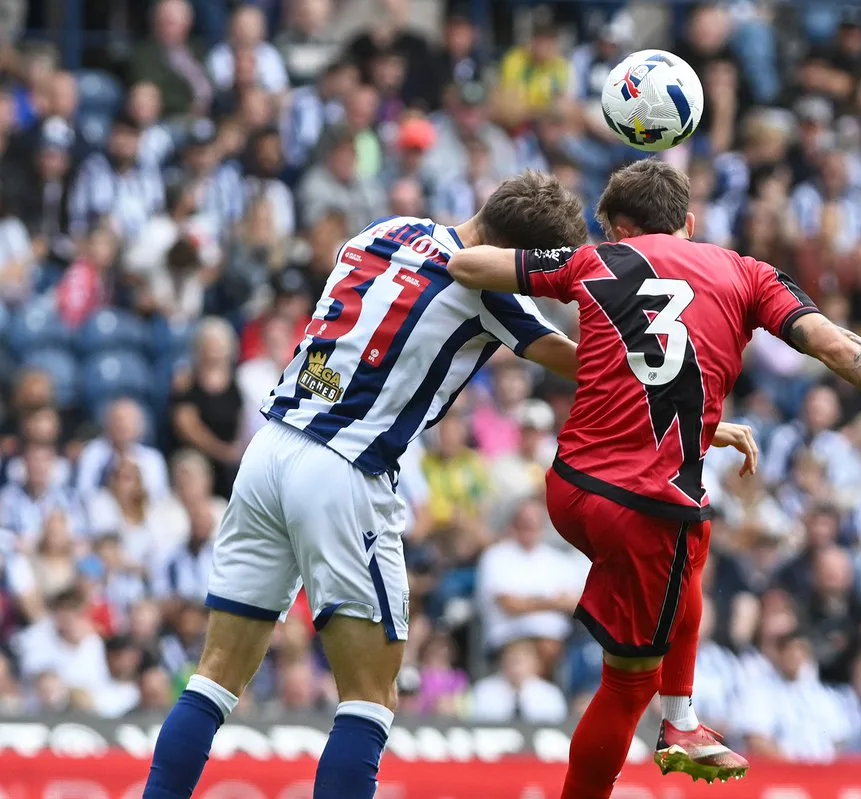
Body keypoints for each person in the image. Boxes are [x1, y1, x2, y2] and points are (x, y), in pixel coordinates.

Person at [448, 159, 861, 795]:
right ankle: (669, 727)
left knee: (697, 533)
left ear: (617, 226)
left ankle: (683, 717)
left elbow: (468, 266)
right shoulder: (746, 273)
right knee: (627, 685)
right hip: (643, 506)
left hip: (570, 485)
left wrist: (568, 254)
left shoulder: (593, 260)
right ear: (689, 222)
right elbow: (838, 346)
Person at [139, 173, 586, 799]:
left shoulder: (385, 230)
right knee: (370, 697)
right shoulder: (488, 288)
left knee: (215, 676)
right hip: (343, 468)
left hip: (269, 448)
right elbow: (577, 361)